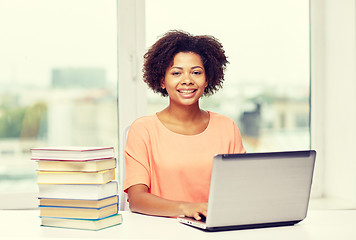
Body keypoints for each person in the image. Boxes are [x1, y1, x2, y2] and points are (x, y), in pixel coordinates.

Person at [124, 30, 246, 220]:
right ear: (163, 80)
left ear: (207, 79)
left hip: (214, 230)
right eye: (176, 73)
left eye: (196, 72)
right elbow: (137, 199)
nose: (187, 80)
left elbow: (241, 189)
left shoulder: (226, 127)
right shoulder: (143, 130)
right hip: (160, 230)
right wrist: (187, 208)